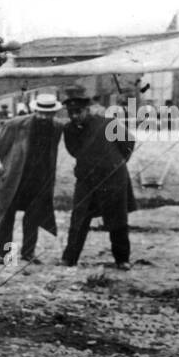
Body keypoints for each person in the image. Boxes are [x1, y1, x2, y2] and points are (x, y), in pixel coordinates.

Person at [60, 85, 137, 269]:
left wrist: (116, 163)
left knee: (117, 220)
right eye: (71, 113)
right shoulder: (69, 129)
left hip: (113, 179)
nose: (74, 116)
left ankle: (122, 259)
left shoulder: (108, 123)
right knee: (78, 219)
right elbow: (73, 151)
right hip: (86, 180)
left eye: (78, 112)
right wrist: (88, 163)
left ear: (87, 109)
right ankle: (69, 259)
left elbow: (128, 142)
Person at [0, 92, 62, 264]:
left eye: (48, 114)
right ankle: (5, 255)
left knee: (33, 217)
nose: (44, 117)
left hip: (39, 180)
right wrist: (9, 166)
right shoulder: (15, 124)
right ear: (34, 110)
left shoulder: (57, 127)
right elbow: (0, 145)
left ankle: (28, 253)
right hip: (15, 179)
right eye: (41, 112)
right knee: (7, 217)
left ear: (54, 113)